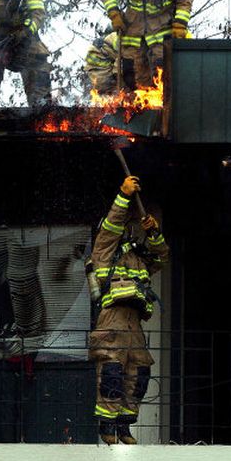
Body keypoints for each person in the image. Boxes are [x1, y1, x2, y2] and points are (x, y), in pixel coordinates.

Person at [88, 175, 169, 445]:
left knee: (139, 375)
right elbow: (111, 226)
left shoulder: (138, 259)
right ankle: (107, 426)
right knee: (112, 372)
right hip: (112, 321)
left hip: (134, 324)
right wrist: (123, 197)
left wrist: (154, 234)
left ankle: (124, 426)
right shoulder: (103, 251)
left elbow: (162, 257)